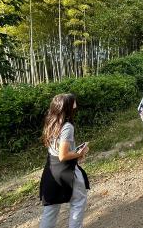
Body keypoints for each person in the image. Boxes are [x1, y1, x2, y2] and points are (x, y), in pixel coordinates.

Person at [39, 93, 90, 228]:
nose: (76, 105)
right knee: (78, 202)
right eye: (73, 102)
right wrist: (80, 152)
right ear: (66, 106)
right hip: (67, 171)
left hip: (51, 170)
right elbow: (63, 155)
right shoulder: (67, 127)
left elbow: (56, 152)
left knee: (51, 209)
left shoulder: (51, 122)